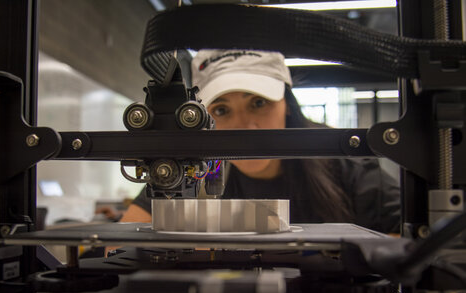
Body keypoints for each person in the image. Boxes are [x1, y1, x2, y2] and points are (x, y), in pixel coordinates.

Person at [121, 49, 400, 234]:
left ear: (287, 104)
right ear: (202, 119)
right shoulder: (194, 170)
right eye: (221, 110)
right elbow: (120, 241)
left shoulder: (343, 162)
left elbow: (415, 237)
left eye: (258, 102)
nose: (244, 126)